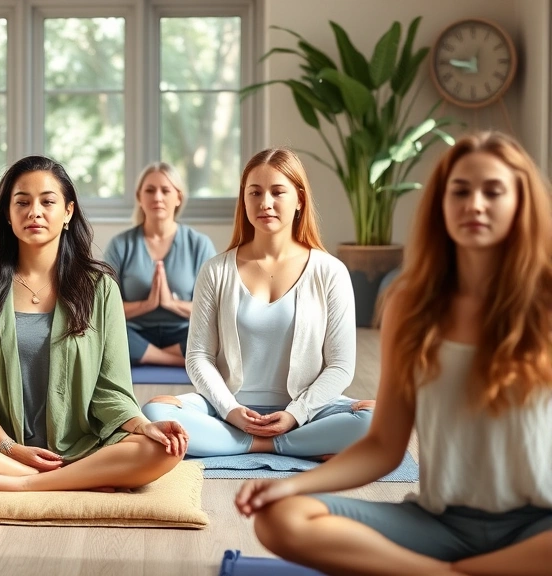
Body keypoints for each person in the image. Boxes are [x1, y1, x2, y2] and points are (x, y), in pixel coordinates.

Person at [236, 132, 552, 576]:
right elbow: (384, 446)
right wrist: (289, 487)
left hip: (539, 528)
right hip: (441, 524)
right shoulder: (410, 306)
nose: (474, 204)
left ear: (521, 203)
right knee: (280, 517)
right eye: (459, 191)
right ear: (441, 205)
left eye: (493, 191)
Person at [0, 155, 188, 492]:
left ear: (68, 212)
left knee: (162, 448)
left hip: (83, 446)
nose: (34, 211)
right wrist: (9, 446)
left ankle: (27, 485)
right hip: (2, 450)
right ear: (8, 215)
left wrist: (142, 425)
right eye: (22, 202)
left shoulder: (100, 289)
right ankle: (69, 479)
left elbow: (111, 388)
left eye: (47, 201)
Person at [142, 148, 374, 458]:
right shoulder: (216, 270)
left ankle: (254, 444)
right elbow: (198, 356)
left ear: (300, 200)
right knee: (156, 413)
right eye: (255, 193)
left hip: (307, 411)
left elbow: (341, 365)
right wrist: (230, 410)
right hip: (229, 410)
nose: (265, 203)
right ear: (244, 200)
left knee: (375, 419)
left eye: (278, 192)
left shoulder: (329, 271)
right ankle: (280, 445)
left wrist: (296, 414)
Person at [104, 162, 216, 366]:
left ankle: (150, 356)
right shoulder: (120, 245)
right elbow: (105, 308)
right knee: (104, 330)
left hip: (184, 333)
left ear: (178, 197)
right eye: (150, 190)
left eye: (165, 190)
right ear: (139, 197)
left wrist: (171, 303)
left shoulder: (199, 244)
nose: (157, 197)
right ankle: (178, 360)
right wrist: (146, 305)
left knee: (218, 332)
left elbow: (213, 309)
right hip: (135, 333)